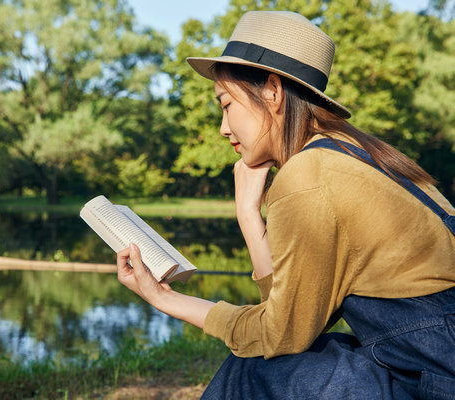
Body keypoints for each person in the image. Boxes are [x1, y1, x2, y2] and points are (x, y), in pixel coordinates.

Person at [116, 10, 455, 399]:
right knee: (267, 361)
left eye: (226, 105)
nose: (223, 128)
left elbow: (278, 336)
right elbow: (287, 320)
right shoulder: (350, 153)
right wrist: (249, 215)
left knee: (254, 372)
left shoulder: (310, 177)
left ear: (272, 92)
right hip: (430, 362)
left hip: (435, 376)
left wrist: (164, 297)